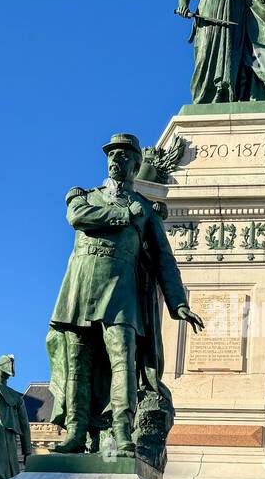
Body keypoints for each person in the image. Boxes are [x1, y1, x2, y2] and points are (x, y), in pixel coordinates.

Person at [47, 132, 204, 459]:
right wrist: (123, 216)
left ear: (136, 165)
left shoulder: (144, 210)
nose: (116, 161)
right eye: (112, 156)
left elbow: (164, 259)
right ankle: (75, 431)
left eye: (123, 156)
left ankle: (121, 431)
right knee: (77, 363)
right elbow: (78, 218)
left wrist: (178, 303)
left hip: (121, 294)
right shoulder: (84, 196)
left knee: (124, 361)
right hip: (79, 288)